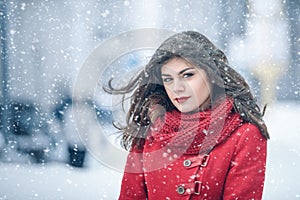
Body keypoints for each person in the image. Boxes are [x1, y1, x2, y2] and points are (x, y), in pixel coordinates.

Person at [104, 31, 269, 199]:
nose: (177, 88)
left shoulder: (245, 135)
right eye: (168, 79)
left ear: (212, 74)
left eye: (187, 75)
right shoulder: (151, 128)